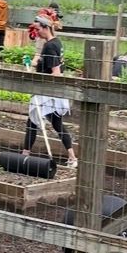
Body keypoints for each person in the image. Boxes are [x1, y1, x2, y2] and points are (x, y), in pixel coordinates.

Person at [21, 17, 77, 168]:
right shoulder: (56, 42)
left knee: (32, 121)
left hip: (47, 91)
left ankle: (25, 155)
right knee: (56, 124)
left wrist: (45, 89)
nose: (37, 33)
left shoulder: (50, 47)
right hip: (52, 91)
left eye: (38, 29)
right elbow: (47, 64)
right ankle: (72, 157)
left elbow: (56, 73)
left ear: (46, 27)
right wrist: (32, 63)